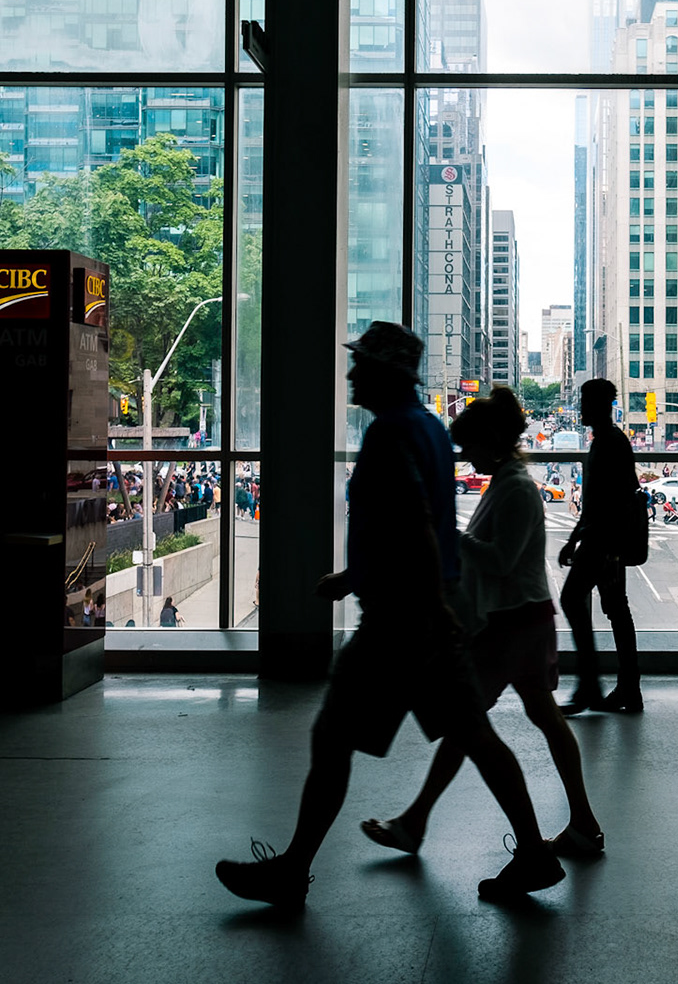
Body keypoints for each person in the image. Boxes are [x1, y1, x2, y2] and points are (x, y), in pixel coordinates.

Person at [216, 322, 563, 907]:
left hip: (402, 620)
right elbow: (413, 522)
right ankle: (532, 852)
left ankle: (292, 871)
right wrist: (362, 579)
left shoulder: (390, 433)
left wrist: (415, 605)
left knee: (332, 736)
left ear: (385, 374)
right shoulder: (426, 427)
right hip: (431, 612)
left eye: (360, 365)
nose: (351, 373)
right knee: (474, 733)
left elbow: (418, 529)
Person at [360, 387, 606, 861]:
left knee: (465, 722)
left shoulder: (515, 488)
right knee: (532, 719)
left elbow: (499, 561)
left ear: (491, 440)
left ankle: (417, 822)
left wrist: (448, 535)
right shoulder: (509, 482)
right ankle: (582, 822)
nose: (466, 458)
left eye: (470, 447)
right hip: (524, 620)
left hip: (509, 626)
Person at [557, 378, 644, 715]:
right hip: (604, 540)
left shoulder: (609, 443)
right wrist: (573, 539)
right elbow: (599, 501)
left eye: (584, 402)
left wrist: (576, 540)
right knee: (616, 611)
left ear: (598, 405)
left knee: (577, 600)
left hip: (603, 542)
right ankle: (625, 687)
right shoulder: (609, 440)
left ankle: (595, 684)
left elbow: (604, 503)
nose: (580, 408)